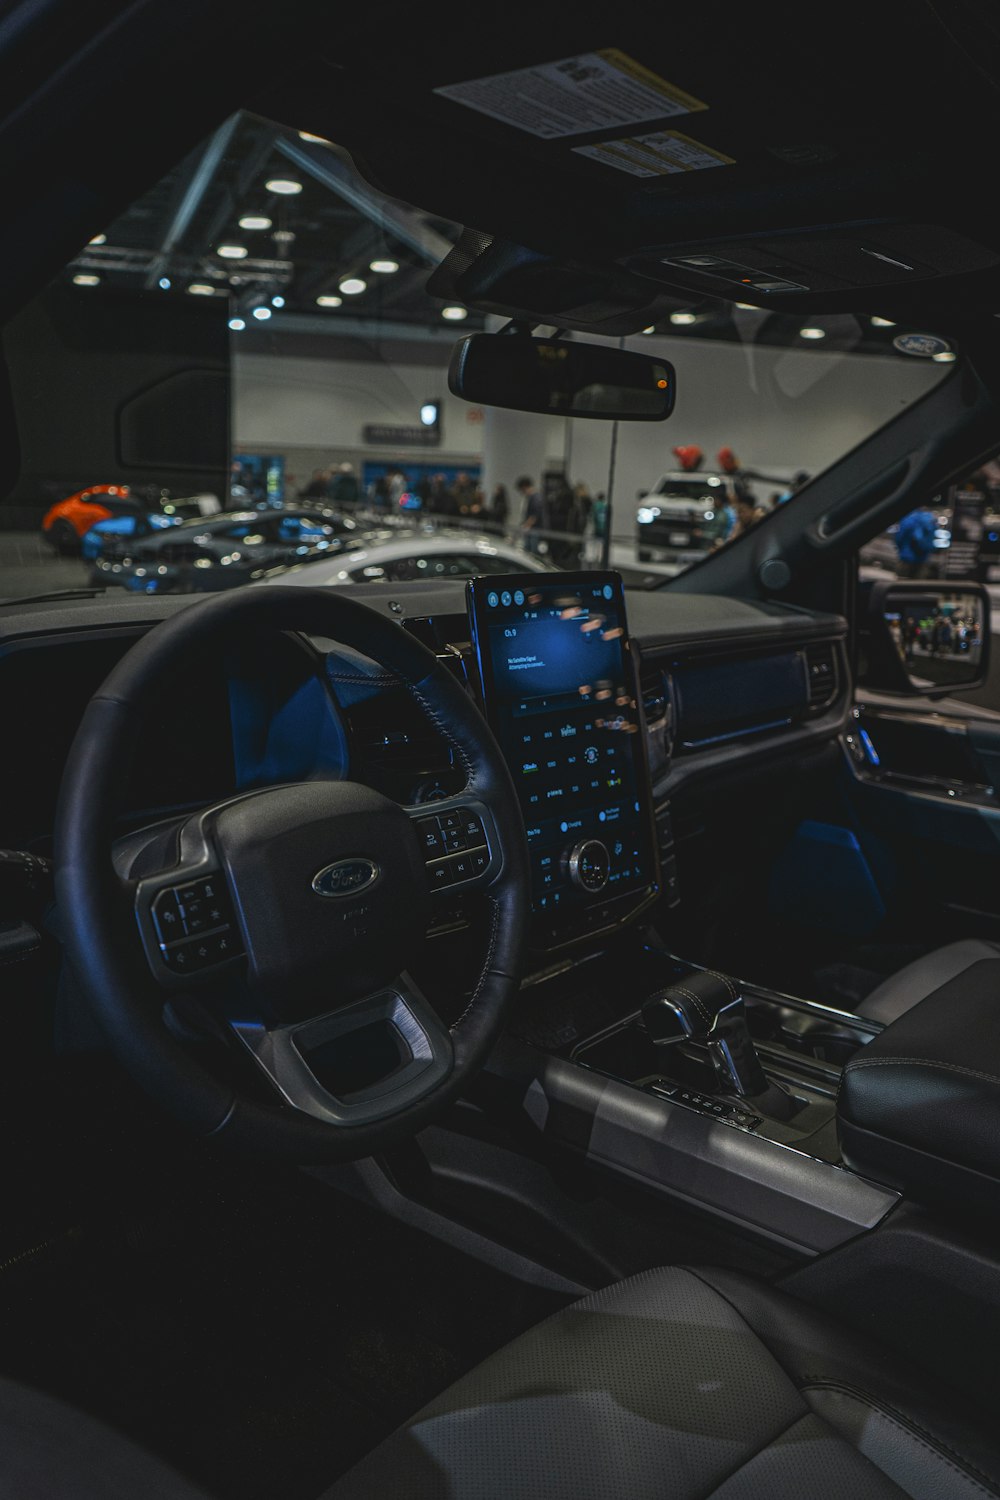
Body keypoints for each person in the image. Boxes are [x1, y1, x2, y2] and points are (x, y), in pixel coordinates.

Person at [895, 503, 937, 578]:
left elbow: (899, 537)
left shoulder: (908, 519)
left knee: (901, 585)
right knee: (916, 586)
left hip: (906, 557)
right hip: (923, 559)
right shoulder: (931, 520)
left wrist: (900, 549)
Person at [516, 475, 547, 554]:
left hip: (534, 530)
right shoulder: (533, 497)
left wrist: (525, 526)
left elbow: (534, 516)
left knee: (532, 553)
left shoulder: (536, 497)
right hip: (532, 530)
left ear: (524, 487)